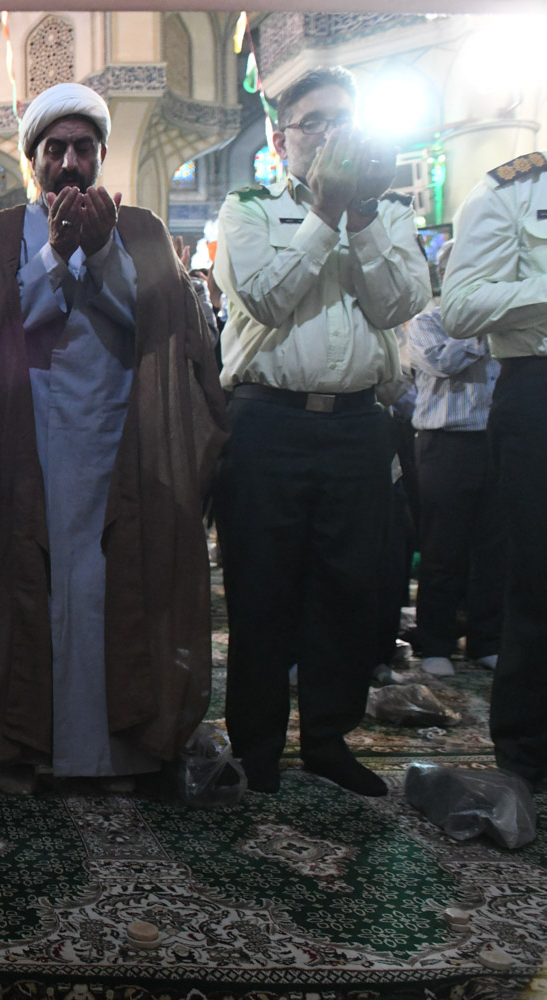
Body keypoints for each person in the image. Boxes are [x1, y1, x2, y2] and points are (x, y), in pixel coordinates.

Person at [0, 82, 228, 794]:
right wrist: (55, 256)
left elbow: (159, 327)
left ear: (100, 155)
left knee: (109, 584)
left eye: (82, 148)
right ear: (33, 159)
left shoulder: (142, 230)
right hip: (27, 443)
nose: (68, 162)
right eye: (54, 149)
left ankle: (118, 754)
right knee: (32, 583)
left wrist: (98, 255)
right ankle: (31, 748)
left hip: (119, 441)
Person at [212, 66, 430, 796]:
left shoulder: (388, 213)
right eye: (315, 123)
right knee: (261, 588)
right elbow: (266, 298)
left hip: (358, 427)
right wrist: (326, 212)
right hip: (267, 423)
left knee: (347, 589)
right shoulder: (247, 209)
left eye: (344, 121)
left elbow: (398, 301)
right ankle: (258, 747)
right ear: (281, 141)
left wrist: (356, 216)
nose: (332, 135)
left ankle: (329, 740)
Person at [441, 150, 547, 788]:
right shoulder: (515, 189)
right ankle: (528, 751)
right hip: (539, 386)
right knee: (538, 578)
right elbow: (461, 307)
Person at [404, 241, 503, 677]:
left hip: (496, 442)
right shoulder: (428, 321)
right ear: (447, 276)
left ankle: (487, 639)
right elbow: (442, 362)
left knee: (493, 548)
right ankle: (435, 642)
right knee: (442, 548)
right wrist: (484, 330)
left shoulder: (508, 321)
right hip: (445, 445)